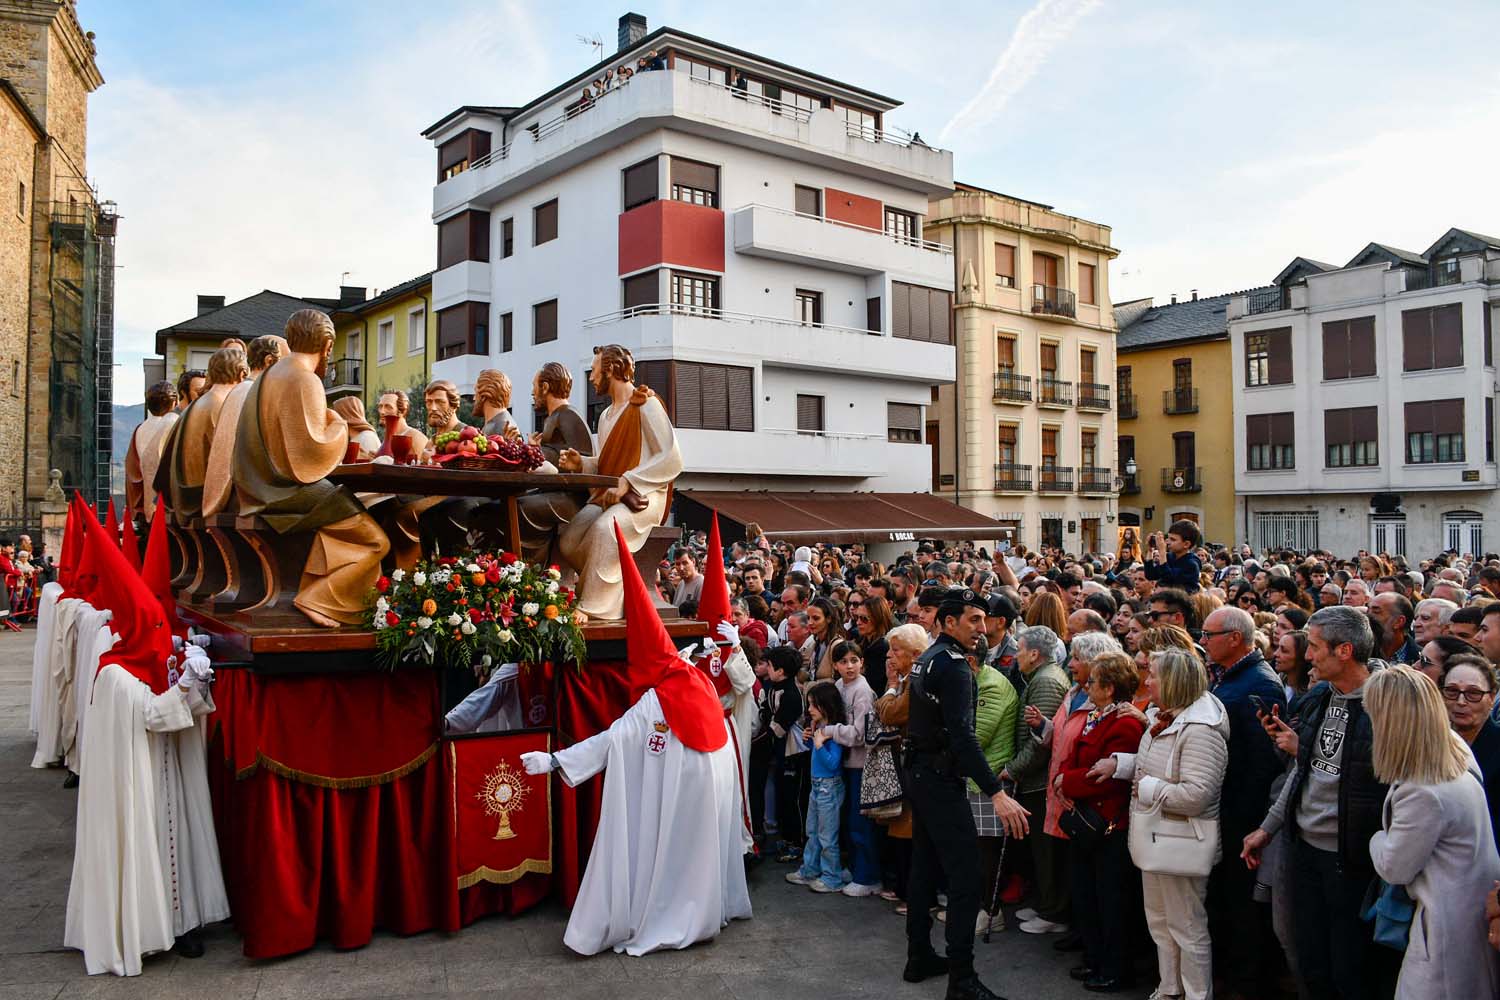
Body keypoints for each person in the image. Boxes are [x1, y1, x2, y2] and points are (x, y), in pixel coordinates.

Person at [518, 525, 750, 955]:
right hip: (710, 786)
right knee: (693, 856)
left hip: (686, 789)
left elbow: (612, 739)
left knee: (670, 857)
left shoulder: (656, 699)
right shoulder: (691, 676)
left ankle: (672, 915)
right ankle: (702, 907)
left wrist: (553, 762)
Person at [64, 523, 227, 975]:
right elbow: (153, 715)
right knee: (151, 844)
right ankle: (150, 927)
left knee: (178, 844)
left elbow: (180, 711)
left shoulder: (152, 663)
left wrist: (196, 685)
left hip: (168, 772)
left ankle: (184, 921)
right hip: (138, 780)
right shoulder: (114, 673)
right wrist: (186, 687)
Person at [1241, 606, 1392, 1000]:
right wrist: (1268, 828)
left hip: (1351, 861)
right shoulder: (1320, 696)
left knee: (1349, 968)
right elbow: (1302, 772)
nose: (1308, 656)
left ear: (1344, 651)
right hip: (1302, 849)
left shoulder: (1386, 708)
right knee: (1310, 959)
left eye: (1316, 647)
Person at [902, 589, 1029, 1000]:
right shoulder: (954, 666)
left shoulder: (931, 657)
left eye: (983, 619)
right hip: (938, 778)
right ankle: (962, 979)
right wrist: (996, 792)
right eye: (972, 620)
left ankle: (919, 956)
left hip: (922, 774)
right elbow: (963, 737)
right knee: (965, 877)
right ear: (948, 621)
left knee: (924, 866)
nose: (980, 628)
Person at [231, 309, 389, 626]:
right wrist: (339, 426)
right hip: (283, 493)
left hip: (257, 487)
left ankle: (318, 587)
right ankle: (319, 599)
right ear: (327, 345)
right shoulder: (304, 379)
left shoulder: (266, 377)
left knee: (349, 511)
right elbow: (310, 455)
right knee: (377, 541)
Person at [1366, 665, 1500, 999]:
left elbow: (1395, 867)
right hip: (1465, 912)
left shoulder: (1424, 790)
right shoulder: (1453, 749)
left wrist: (1376, 838)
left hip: (1445, 927)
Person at [1103, 648, 1228, 1000]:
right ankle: (1170, 988)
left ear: (1173, 682)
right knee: (1160, 921)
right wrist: (1122, 765)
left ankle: (1195, 994)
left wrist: (1146, 787)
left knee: (1186, 926)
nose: (1147, 681)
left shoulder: (1201, 729)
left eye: (1154, 675)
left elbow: (1197, 794)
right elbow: (1156, 765)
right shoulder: (1166, 716)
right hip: (1158, 836)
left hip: (1181, 839)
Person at [558, 344, 684, 619]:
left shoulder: (645, 404)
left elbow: (671, 459)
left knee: (606, 529)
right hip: (609, 494)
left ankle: (595, 607)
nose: (591, 378)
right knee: (568, 538)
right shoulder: (605, 416)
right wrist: (582, 463)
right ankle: (616, 585)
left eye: (594, 370)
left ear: (611, 369)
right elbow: (606, 463)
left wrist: (631, 480)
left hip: (646, 495)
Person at [1199, 606, 1285, 999]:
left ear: (1234, 638)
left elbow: (1261, 763)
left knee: (1242, 906)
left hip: (1241, 815)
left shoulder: (1259, 685)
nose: (1203, 641)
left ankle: (1247, 984)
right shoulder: (1228, 677)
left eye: (1209, 634)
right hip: (1225, 809)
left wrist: (1247, 822)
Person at [1054, 651, 1146, 993]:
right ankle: (1095, 957)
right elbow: (1074, 755)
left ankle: (1114, 967)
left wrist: (1068, 781)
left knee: (1111, 901)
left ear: (1109, 688)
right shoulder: (1096, 714)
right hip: (1086, 820)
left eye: (1092, 681)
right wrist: (1062, 779)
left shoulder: (1125, 723)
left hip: (1108, 825)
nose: (1086, 685)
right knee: (1087, 894)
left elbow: (1108, 777)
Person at [1020, 630, 1122, 937]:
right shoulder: (1076, 691)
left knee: (1070, 861)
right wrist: (1044, 726)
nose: (1071, 663)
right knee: (1057, 853)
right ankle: (1058, 912)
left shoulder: (1102, 701)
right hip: (1061, 784)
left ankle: (1064, 916)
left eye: (1077, 658)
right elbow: (1064, 733)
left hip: (1077, 792)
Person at [966, 628, 1019, 933]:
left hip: (988, 779)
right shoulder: (977, 681)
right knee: (976, 849)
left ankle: (990, 911)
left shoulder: (991, 686)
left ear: (971, 660)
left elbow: (976, 736)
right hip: (977, 778)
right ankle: (978, 906)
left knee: (987, 851)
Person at [201, 335, 287, 518]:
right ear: (269, 361)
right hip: (246, 497)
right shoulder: (256, 392)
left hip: (229, 495)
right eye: (282, 364)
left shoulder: (238, 390)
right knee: (337, 501)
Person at [161, 346, 250, 523]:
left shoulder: (196, 405)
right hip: (207, 506)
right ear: (241, 374)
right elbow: (227, 464)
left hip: (187, 502)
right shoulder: (224, 404)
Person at [821, 639, 881, 896]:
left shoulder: (862, 691)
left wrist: (829, 731)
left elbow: (860, 734)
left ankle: (868, 877)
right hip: (845, 761)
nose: (849, 666)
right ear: (835, 665)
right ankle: (856, 868)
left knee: (861, 821)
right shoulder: (838, 686)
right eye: (843, 661)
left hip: (861, 763)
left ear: (862, 662)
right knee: (849, 819)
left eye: (854, 661)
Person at [876, 623, 928, 906]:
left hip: (915, 763)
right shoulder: (906, 680)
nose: (890, 657)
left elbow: (890, 713)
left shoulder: (913, 683)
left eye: (896, 651)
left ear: (916, 654)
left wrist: (892, 687)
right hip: (903, 762)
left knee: (912, 832)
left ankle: (915, 896)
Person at [785, 680, 848, 892]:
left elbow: (832, 763)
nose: (809, 709)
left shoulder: (833, 732)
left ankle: (832, 876)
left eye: (813, 705)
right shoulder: (819, 728)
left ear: (826, 705)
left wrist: (819, 744)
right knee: (812, 830)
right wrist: (811, 741)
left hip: (829, 787)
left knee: (827, 836)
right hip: (818, 786)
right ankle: (810, 869)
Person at [1443, 657, 1500, 839]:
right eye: (1452, 691)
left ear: (1491, 697)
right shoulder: (1432, 745)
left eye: (1473, 693)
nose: (1461, 701)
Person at [124, 381, 179, 521]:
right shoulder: (173, 424)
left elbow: (132, 468)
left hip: (143, 503)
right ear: (174, 402)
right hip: (165, 504)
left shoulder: (140, 429)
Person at [1143, 520, 1203, 594]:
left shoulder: (1192, 564)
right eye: (1168, 538)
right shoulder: (1169, 557)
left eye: (1173, 539)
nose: (1167, 542)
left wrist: (1162, 552)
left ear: (1186, 544)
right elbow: (1150, 575)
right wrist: (1150, 550)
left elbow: (1169, 578)